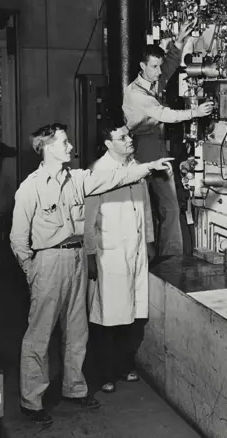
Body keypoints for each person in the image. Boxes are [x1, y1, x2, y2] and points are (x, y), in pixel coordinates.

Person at [9, 123, 173, 425]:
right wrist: (32, 272)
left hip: (76, 259)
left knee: (77, 330)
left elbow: (116, 176)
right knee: (39, 335)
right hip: (48, 262)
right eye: (64, 142)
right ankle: (31, 401)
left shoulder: (79, 179)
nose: (71, 147)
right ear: (47, 148)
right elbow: (18, 240)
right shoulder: (30, 188)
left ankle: (74, 388)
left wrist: (149, 166)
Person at [122, 20, 214, 260]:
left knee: (170, 206)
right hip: (141, 150)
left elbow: (171, 64)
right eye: (154, 67)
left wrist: (180, 41)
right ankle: (144, 257)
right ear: (142, 66)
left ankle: (171, 259)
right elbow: (165, 114)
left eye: (158, 67)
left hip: (157, 147)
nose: (159, 72)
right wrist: (195, 113)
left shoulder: (153, 82)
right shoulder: (136, 93)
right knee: (143, 209)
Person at [84, 117, 153, 394]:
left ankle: (125, 366)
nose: (129, 140)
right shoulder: (98, 172)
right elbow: (87, 221)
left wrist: (148, 240)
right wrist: (90, 256)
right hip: (109, 254)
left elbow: (144, 208)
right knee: (106, 318)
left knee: (134, 315)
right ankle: (104, 374)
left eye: (128, 136)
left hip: (135, 251)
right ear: (107, 143)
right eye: (122, 138)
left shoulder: (136, 168)